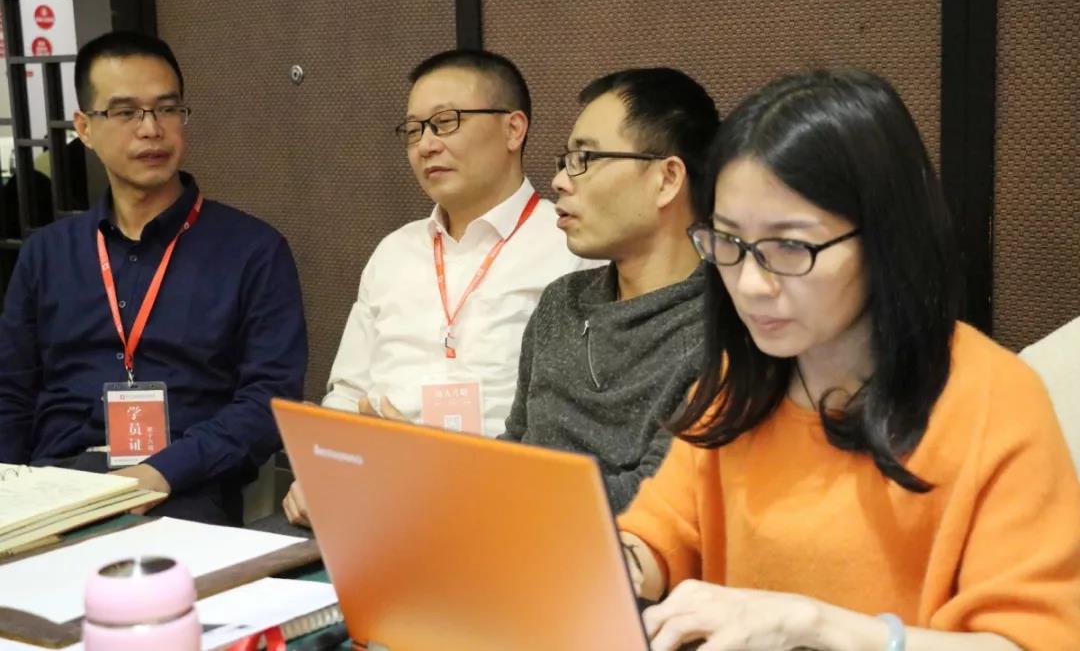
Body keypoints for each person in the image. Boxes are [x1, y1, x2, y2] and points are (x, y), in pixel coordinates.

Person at [617, 69, 1080, 650]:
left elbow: (1030, 642)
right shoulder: (739, 383)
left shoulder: (994, 399)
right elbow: (663, 532)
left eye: (790, 246)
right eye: (729, 241)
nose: (751, 284)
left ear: (884, 240)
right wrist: (616, 562)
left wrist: (814, 625)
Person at [0, 31, 307, 526]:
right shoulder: (47, 254)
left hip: (182, 487)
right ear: (85, 128)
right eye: (125, 112)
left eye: (167, 109)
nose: (151, 129)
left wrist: (162, 471)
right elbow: (11, 394)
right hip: (53, 483)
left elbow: (269, 400)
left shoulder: (253, 250)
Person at [283, 50, 587, 526]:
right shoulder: (393, 252)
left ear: (513, 129)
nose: (426, 145)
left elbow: (579, 424)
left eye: (445, 123)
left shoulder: (573, 247)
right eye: (413, 130)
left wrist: (429, 466)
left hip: (503, 508)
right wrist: (321, 470)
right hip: (372, 502)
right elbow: (348, 392)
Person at [499, 68, 719, 512]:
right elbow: (516, 445)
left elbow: (653, 501)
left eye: (585, 159)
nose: (560, 181)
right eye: (565, 161)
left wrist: (500, 487)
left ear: (666, 179)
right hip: (519, 536)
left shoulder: (723, 325)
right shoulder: (561, 302)